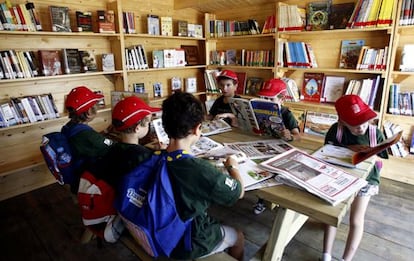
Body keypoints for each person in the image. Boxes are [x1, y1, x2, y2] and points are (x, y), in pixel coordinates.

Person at [162, 92, 245, 260]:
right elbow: (238, 192)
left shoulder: (157, 156)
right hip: (189, 241)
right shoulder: (199, 169)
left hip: (163, 229)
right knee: (239, 237)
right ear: (197, 129)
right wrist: (232, 166)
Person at [321, 94, 388, 261]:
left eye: (364, 121)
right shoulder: (336, 130)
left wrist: (370, 154)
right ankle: (326, 255)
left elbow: (382, 160)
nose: (361, 127)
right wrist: (351, 148)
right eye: (355, 124)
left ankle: (346, 258)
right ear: (342, 120)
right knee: (332, 215)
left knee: (356, 219)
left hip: (366, 179)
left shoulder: (375, 134)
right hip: (339, 176)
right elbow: (327, 151)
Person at [253, 78, 301, 214]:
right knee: (259, 170)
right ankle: (261, 199)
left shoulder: (286, 114)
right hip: (264, 145)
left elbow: (297, 137)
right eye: (263, 99)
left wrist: (290, 136)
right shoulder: (259, 111)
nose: (266, 103)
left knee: (275, 172)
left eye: (271, 100)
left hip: (282, 150)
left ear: (282, 99)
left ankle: (277, 200)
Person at [96, 95, 160, 188]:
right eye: (148, 123)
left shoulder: (112, 149)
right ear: (137, 128)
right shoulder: (145, 156)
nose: (149, 125)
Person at [64, 86, 113, 193]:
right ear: (89, 112)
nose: (98, 106)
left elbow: (88, 141)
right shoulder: (87, 135)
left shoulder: (70, 126)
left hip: (77, 173)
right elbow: (111, 147)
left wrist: (105, 132)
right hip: (86, 180)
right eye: (95, 104)